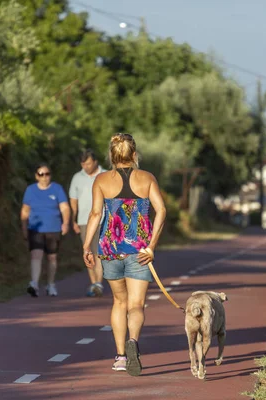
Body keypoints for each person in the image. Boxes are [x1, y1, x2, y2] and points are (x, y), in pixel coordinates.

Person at [82, 133, 167, 377]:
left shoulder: (101, 180)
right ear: (134, 154)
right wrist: (151, 245)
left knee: (119, 302)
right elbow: (161, 211)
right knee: (136, 304)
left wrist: (87, 246)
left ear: (112, 155)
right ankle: (133, 342)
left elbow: (96, 215)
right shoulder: (147, 178)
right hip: (140, 251)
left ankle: (120, 356)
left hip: (110, 250)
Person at [20, 163, 70, 297]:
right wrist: (24, 228)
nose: (44, 177)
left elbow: (64, 207)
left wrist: (65, 223)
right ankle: (34, 283)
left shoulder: (57, 189)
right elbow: (25, 211)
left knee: (52, 257)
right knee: (36, 254)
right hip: (35, 228)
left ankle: (50, 284)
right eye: (41, 174)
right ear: (36, 176)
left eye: (47, 174)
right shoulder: (30, 190)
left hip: (53, 228)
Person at [69, 149, 107, 297]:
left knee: (99, 253)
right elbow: (73, 200)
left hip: (102, 219)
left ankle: (98, 283)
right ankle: (94, 283)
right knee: (88, 253)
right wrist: (73, 220)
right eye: (83, 164)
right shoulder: (77, 177)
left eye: (88, 163)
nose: (86, 166)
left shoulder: (105, 175)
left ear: (95, 162)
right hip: (84, 220)